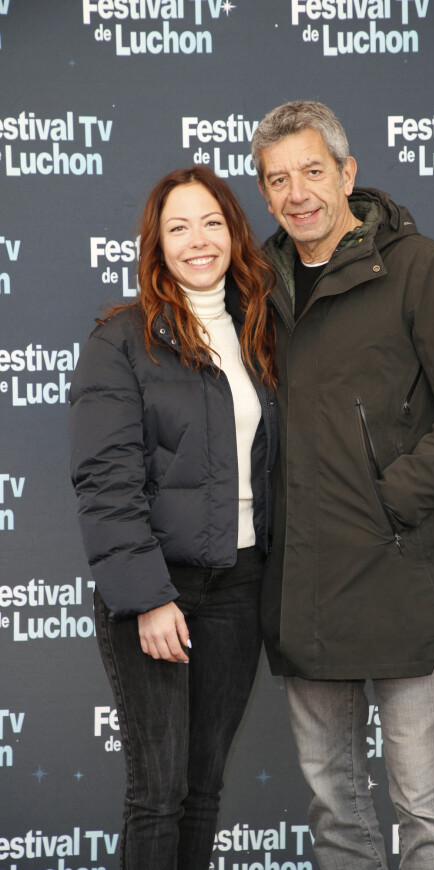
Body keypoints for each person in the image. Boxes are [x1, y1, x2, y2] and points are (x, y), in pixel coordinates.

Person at [250, 101, 434, 870]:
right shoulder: (261, 286)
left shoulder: (422, 269)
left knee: (424, 809)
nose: (297, 193)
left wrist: (391, 499)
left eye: (312, 171)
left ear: (348, 173)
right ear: (264, 196)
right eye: (277, 180)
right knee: (336, 811)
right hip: (304, 587)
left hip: (398, 578)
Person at [69, 166, 277, 870]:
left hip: (240, 588)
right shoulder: (123, 340)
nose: (198, 240)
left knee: (203, 790)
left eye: (212, 222)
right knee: (157, 794)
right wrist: (150, 597)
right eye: (178, 227)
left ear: (234, 233)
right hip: (160, 593)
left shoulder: (261, 332)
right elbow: (106, 480)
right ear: (156, 245)